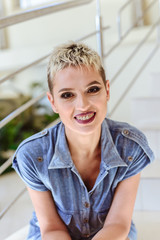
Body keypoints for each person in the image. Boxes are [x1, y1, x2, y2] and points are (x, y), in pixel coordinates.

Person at [12, 42, 154, 240]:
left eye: (93, 90)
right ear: (53, 102)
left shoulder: (131, 147)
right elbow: (51, 228)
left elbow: (119, 223)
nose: (83, 105)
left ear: (107, 91)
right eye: (67, 95)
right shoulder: (33, 155)